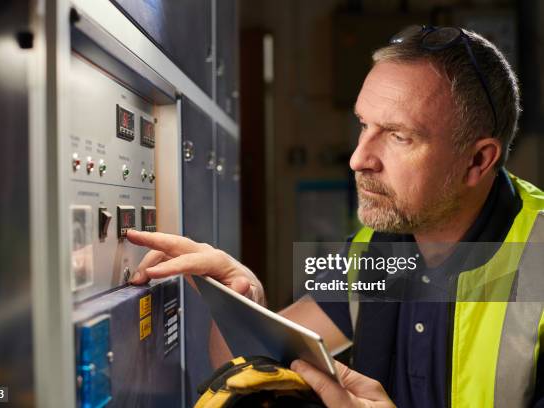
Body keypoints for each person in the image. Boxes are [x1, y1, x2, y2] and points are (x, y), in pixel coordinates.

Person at [127, 25, 544, 407]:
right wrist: (243, 300)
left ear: (477, 159)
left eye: (399, 136)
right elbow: (253, 369)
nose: (359, 158)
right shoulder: (378, 250)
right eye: (364, 125)